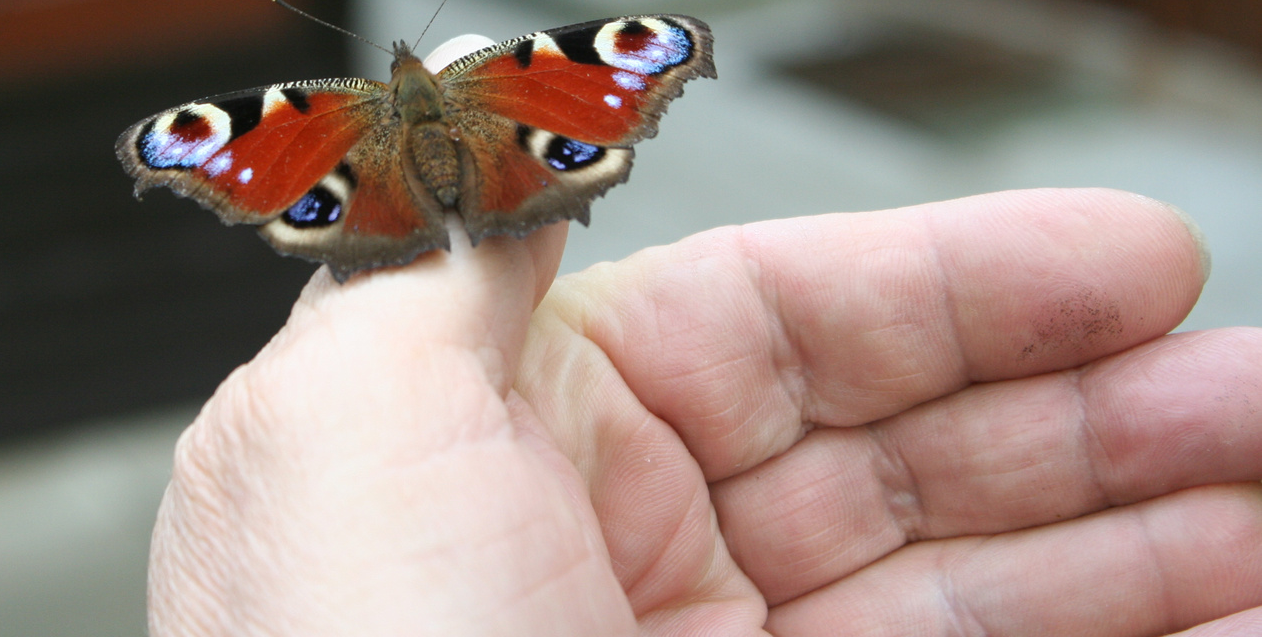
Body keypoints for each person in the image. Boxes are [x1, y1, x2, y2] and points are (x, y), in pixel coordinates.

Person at [147, 44, 1260, 636]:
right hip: (495, 165)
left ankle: (413, 208)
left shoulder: (317, 112)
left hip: (392, 191)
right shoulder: (505, 78)